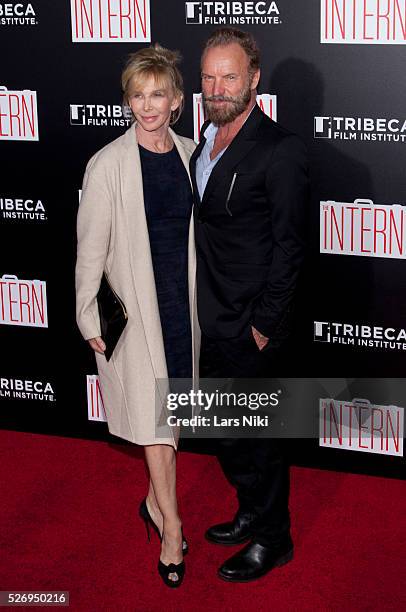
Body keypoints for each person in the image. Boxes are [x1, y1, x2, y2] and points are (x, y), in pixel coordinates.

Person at [75, 44, 199, 588]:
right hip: (137, 308)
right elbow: (90, 252)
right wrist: (89, 316)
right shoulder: (107, 165)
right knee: (155, 425)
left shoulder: (194, 154)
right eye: (137, 95)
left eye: (157, 94)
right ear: (127, 101)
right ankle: (172, 526)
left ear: (175, 100)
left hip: (185, 306)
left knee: (172, 423)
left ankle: (153, 500)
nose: (147, 106)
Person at [190, 28, 309, 582]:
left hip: (253, 326)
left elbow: (290, 246)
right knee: (223, 432)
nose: (216, 88)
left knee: (260, 440)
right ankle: (250, 512)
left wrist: (265, 323)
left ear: (254, 79)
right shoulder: (202, 144)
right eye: (209, 77)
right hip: (210, 315)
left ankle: (273, 538)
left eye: (229, 76)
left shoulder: (280, 150)